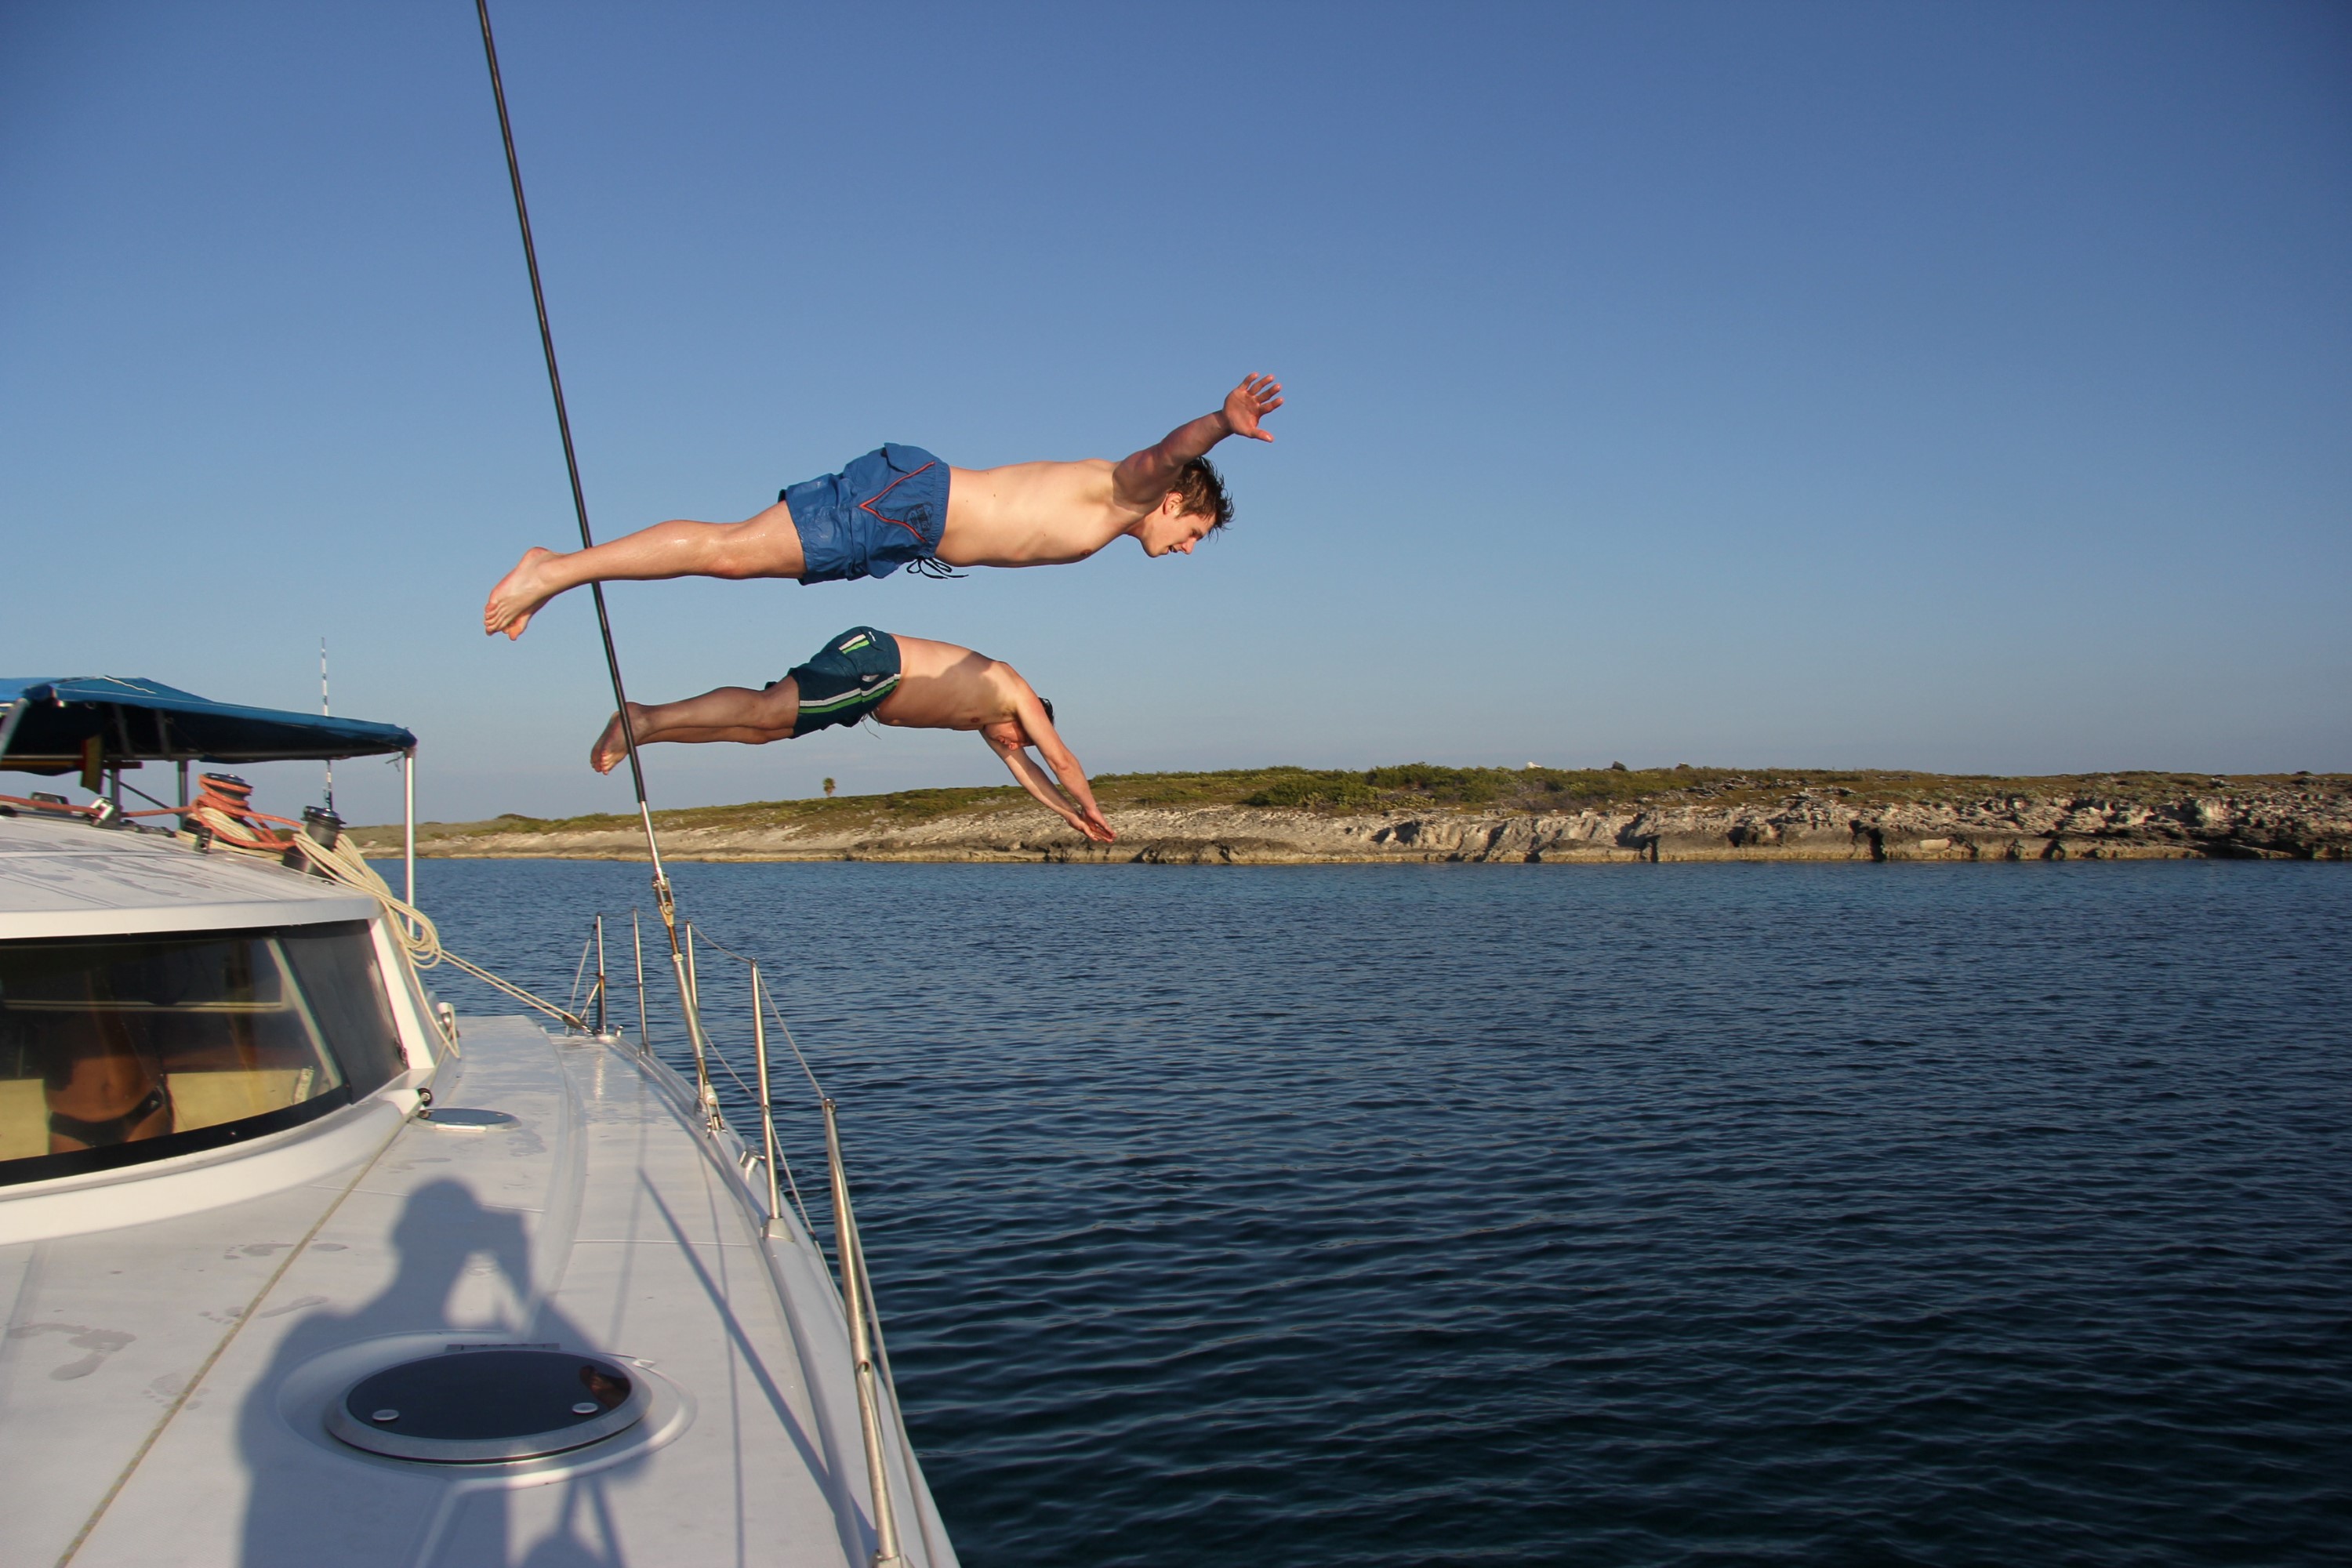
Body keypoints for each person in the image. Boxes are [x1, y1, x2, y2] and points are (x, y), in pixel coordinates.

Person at [485, 375, 1283, 639]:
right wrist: (1220, 424)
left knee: (730, 559)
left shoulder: (1112, 516)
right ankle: (555, 569)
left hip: (907, 529)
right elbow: (1166, 450)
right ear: (1177, 499)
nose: (1185, 548)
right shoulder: (1134, 487)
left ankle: (560, 571)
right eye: (1194, 532)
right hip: (912, 502)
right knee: (727, 550)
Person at [591, 626, 1116, 844]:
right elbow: (1061, 762)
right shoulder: (1011, 691)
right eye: (1017, 739)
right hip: (876, 665)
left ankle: (647, 729)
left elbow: (1032, 776)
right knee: (767, 710)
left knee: (763, 731)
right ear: (1028, 723)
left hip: (869, 687)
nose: (1010, 747)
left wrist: (1069, 816)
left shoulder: (988, 721)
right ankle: (643, 718)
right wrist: (1092, 806)